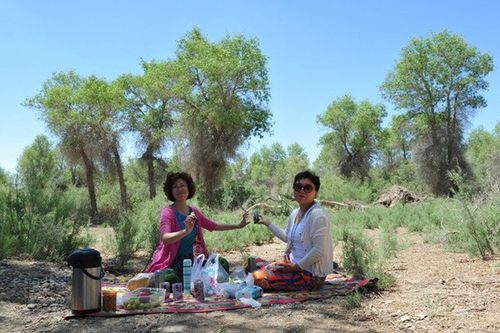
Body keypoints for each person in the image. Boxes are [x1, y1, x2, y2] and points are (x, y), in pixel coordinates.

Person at [145, 172, 249, 276]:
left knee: (222, 267)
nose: (179, 189)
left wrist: (238, 225)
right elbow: (165, 238)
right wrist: (185, 231)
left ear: (188, 188)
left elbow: (213, 226)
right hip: (171, 264)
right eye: (175, 187)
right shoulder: (168, 212)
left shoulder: (193, 211)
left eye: (182, 185)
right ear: (170, 191)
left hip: (193, 262)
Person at [253, 170, 333, 291]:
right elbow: (288, 237)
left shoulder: (318, 215)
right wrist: (268, 223)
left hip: (310, 275)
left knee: (258, 277)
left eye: (307, 188)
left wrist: (295, 267)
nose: (301, 190)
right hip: (292, 264)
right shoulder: (295, 213)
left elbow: (318, 251)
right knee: (253, 265)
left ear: (315, 193)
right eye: (298, 186)